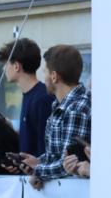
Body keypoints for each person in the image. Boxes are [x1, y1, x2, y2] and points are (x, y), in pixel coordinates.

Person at [16, 44, 91, 189]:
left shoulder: (77, 108)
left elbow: (69, 164)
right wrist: (38, 161)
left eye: (45, 72)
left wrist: (38, 170)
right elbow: (56, 154)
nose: (43, 79)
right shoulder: (59, 105)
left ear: (54, 76)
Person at [0, 38, 53, 158]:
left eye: (6, 64)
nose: (3, 69)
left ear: (17, 66)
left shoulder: (42, 98)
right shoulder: (30, 95)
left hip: (38, 175)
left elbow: (44, 148)